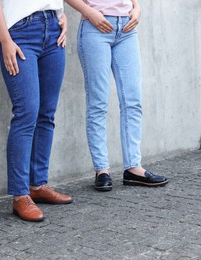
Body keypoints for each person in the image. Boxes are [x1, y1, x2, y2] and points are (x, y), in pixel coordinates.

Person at [65, 0, 168, 191]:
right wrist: (90, 12)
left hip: (127, 29)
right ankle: (101, 170)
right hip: (96, 27)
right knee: (98, 103)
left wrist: (137, 8)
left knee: (133, 101)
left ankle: (133, 167)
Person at [0, 0, 73, 222]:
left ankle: (38, 184)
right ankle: (20, 195)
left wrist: (61, 14)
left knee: (46, 114)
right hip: (20, 33)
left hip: (53, 29)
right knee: (26, 113)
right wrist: (5, 39)